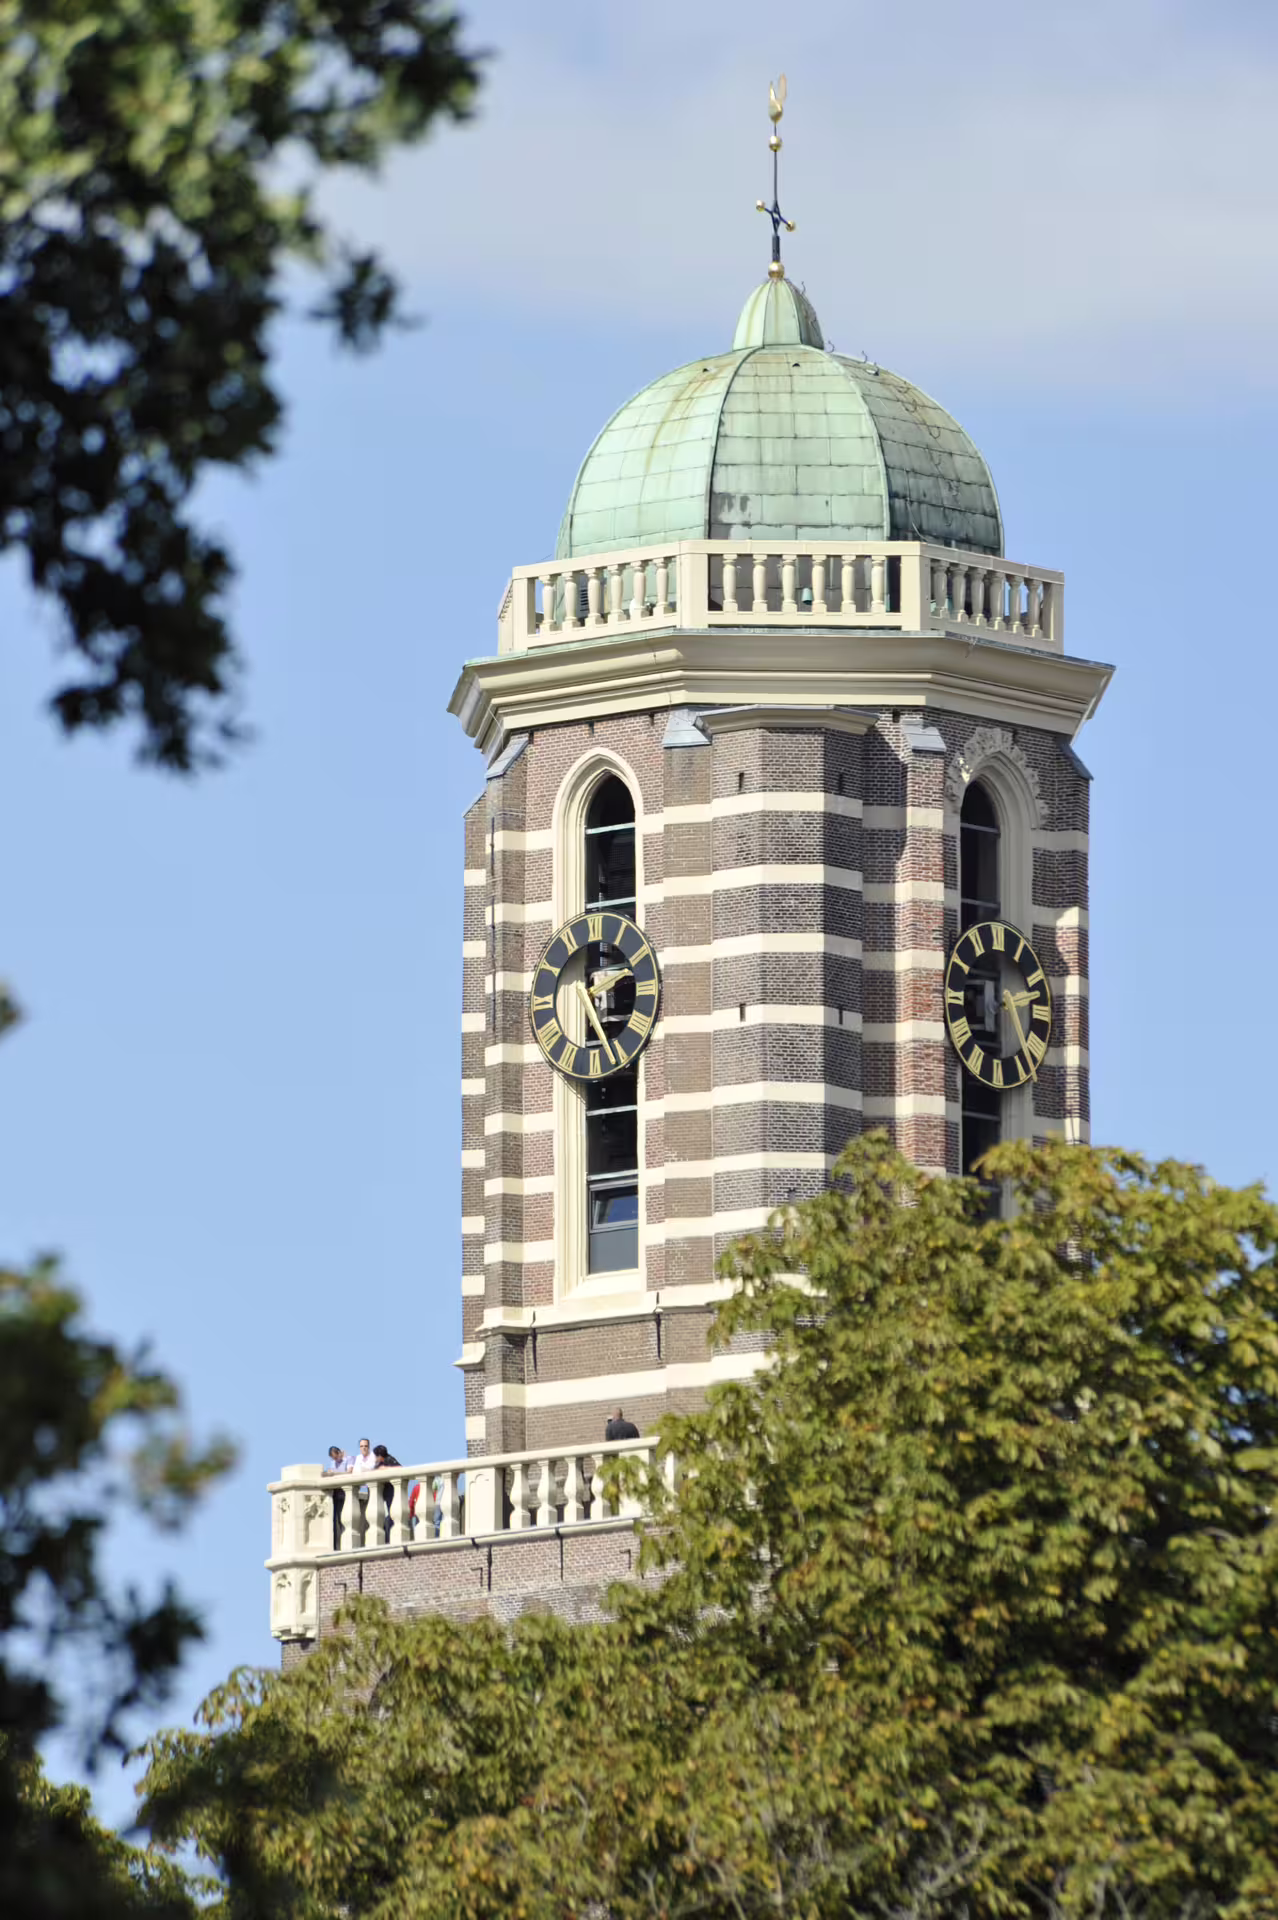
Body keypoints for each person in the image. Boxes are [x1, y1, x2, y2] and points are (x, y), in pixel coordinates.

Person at [322, 1444, 354, 1548]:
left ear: (339, 1453)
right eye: (333, 1458)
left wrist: (335, 1474)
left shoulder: (348, 1459)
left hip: (345, 1494)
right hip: (335, 1494)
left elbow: (349, 1473)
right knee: (335, 1519)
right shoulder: (333, 1463)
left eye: (336, 1457)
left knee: (343, 1518)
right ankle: (336, 1545)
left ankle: (345, 1543)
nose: (335, 1459)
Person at [372, 1444, 402, 1541]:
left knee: (391, 1515)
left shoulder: (389, 1459)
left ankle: (391, 1537)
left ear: (380, 1455)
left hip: (391, 1492)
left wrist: (387, 1469)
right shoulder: (378, 1463)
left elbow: (401, 1468)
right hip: (382, 1494)